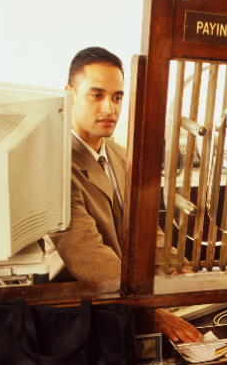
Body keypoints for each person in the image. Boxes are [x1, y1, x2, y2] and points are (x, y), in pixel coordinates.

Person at [45, 47, 202, 343]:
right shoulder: (54, 164)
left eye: (117, 97)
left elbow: (146, 232)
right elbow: (89, 258)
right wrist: (148, 309)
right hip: (79, 317)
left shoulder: (121, 156)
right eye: (97, 95)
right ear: (69, 94)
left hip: (127, 302)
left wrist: (181, 277)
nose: (110, 108)